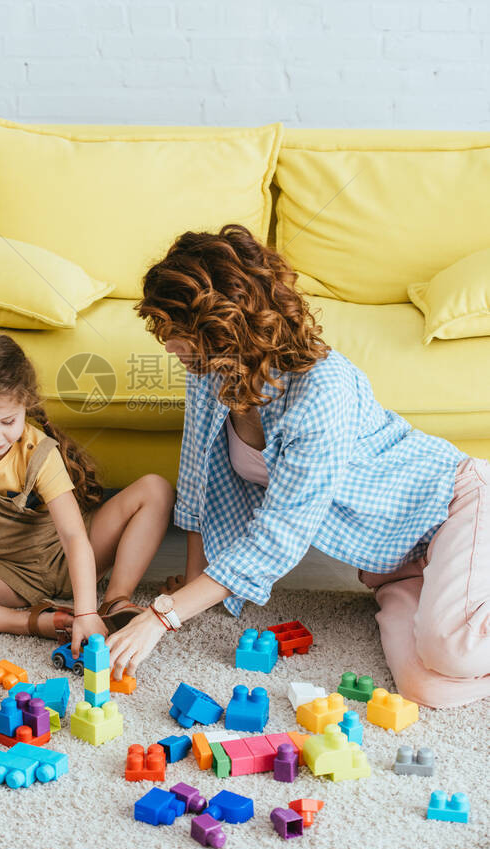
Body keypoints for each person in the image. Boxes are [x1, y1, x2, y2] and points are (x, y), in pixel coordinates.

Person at [106, 224, 490, 710]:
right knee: (426, 688)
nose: (167, 347)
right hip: (395, 567)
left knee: (452, 650)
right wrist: (190, 588)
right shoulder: (210, 373)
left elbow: (278, 536)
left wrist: (161, 617)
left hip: (455, 505)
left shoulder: (321, 389)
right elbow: (198, 482)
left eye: (174, 332)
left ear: (220, 327)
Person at [0, 332, 174, 657]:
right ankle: (35, 622)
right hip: (5, 569)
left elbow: (74, 536)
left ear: (25, 404)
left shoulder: (40, 453)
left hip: (71, 553)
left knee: (156, 489)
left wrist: (86, 613)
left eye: (7, 421)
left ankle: (113, 601)